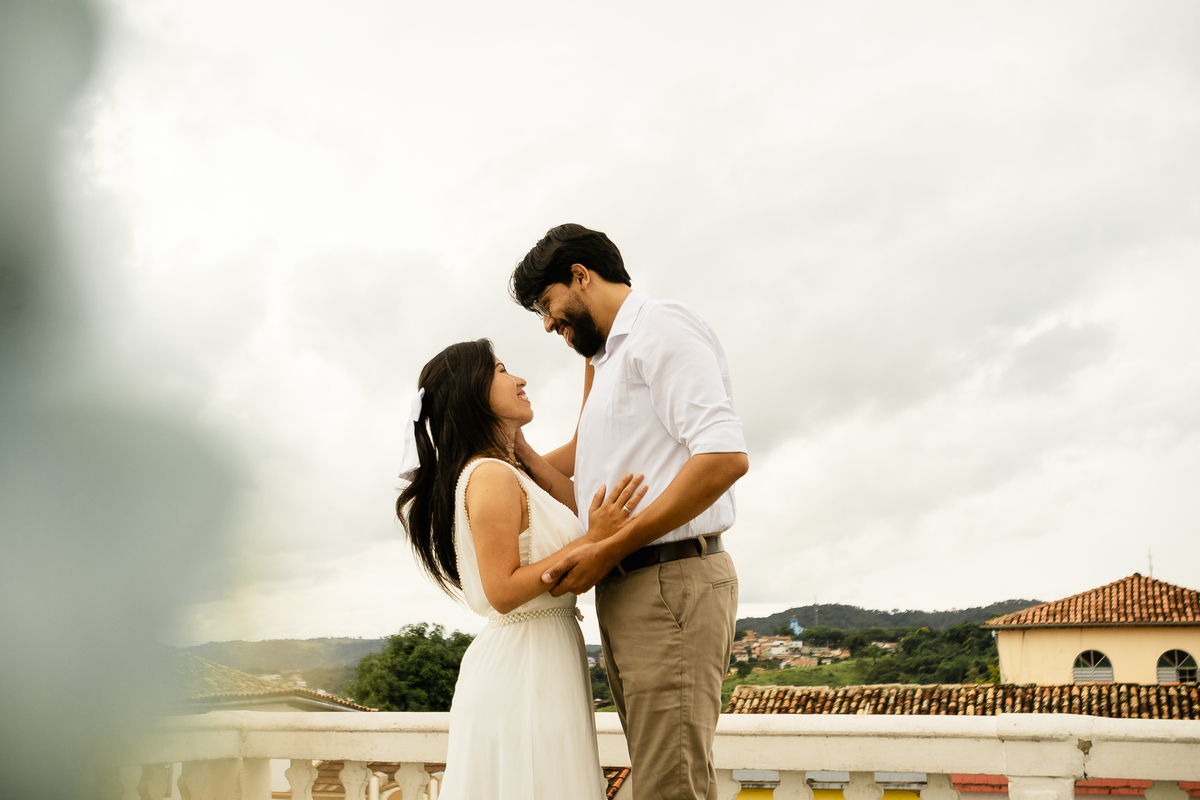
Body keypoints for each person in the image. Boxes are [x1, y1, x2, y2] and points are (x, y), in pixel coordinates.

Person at [510, 224, 750, 800]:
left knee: (669, 785)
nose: (548, 324)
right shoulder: (604, 358)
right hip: (629, 587)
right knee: (666, 774)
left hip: (671, 582)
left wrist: (609, 546)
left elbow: (723, 457)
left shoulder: (660, 328)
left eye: (548, 305)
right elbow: (581, 467)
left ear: (580, 277)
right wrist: (503, 448)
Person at [394, 338, 648, 800]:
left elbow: (578, 473)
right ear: (473, 392)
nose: (520, 379)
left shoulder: (506, 469)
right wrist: (591, 540)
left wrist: (596, 351)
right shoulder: (490, 476)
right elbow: (503, 590)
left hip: (543, 656)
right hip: (523, 667)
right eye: (502, 370)